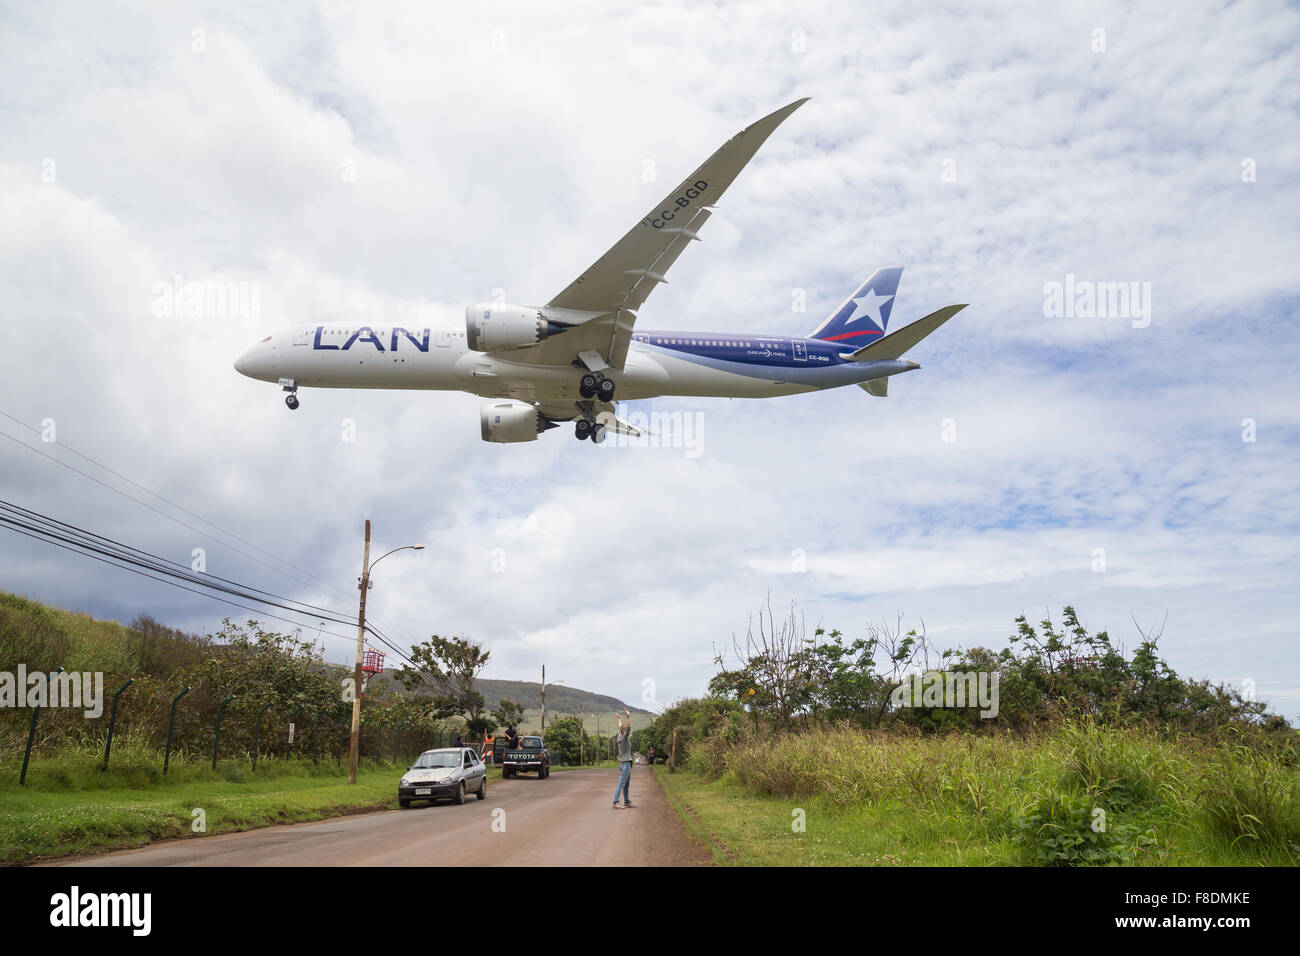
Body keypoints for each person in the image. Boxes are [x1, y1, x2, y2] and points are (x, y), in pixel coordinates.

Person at [612, 708, 635, 809]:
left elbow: (620, 727)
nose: (625, 729)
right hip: (625, 764)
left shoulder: (620, 737)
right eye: (624, 729)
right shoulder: (624, 739)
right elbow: (628, 729)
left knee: (626, 784)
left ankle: (627, 801)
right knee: (621, 784)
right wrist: (628, 717)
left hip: (625, 764)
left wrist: (619, 718)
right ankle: (615, 802)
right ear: (624, 732)